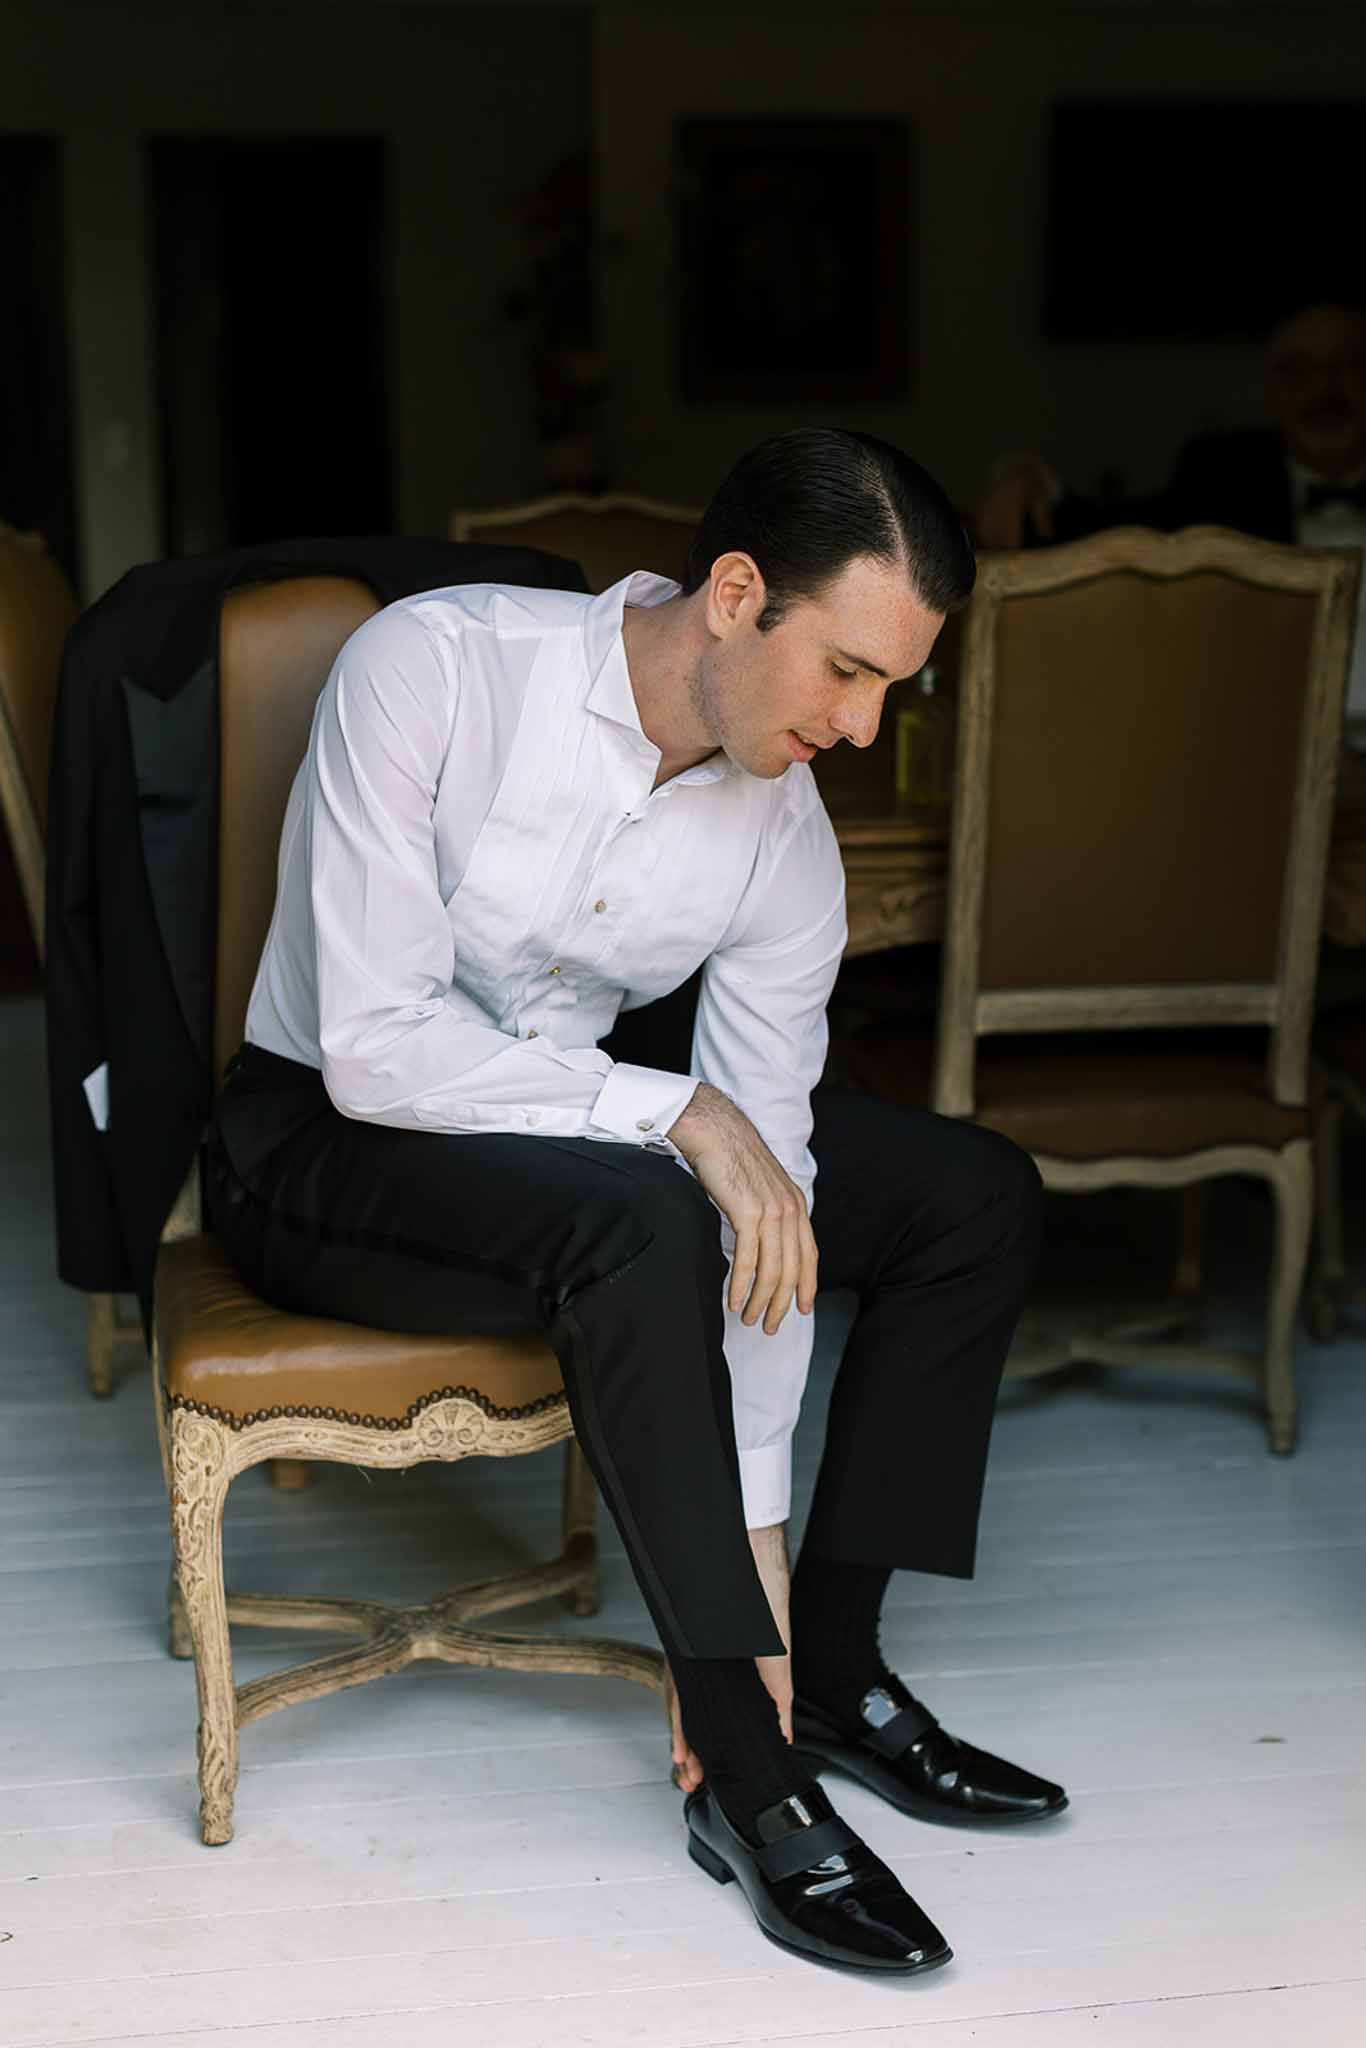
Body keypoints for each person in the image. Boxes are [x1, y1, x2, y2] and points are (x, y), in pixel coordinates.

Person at [206, 428, 1062, 1978]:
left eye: (892, 692)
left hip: (558, 1136)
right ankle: (744, 1765)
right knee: (652, 1214)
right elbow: (379, 1049)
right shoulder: (436, 672)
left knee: (966, 1196)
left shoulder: (779, 833)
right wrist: (672, 1112)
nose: (862, 731)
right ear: (734, 594)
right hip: (318, 1138)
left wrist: (763, 1542)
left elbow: (776, 1194)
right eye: (847, 674)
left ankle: (834, 1672)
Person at [973, 301, 1366, 716]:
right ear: (1272, 387)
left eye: (1351, 364)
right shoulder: (1221, 474)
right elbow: (1105, 533)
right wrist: (1023, 476)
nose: (1326, 388)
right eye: (1299, 370)